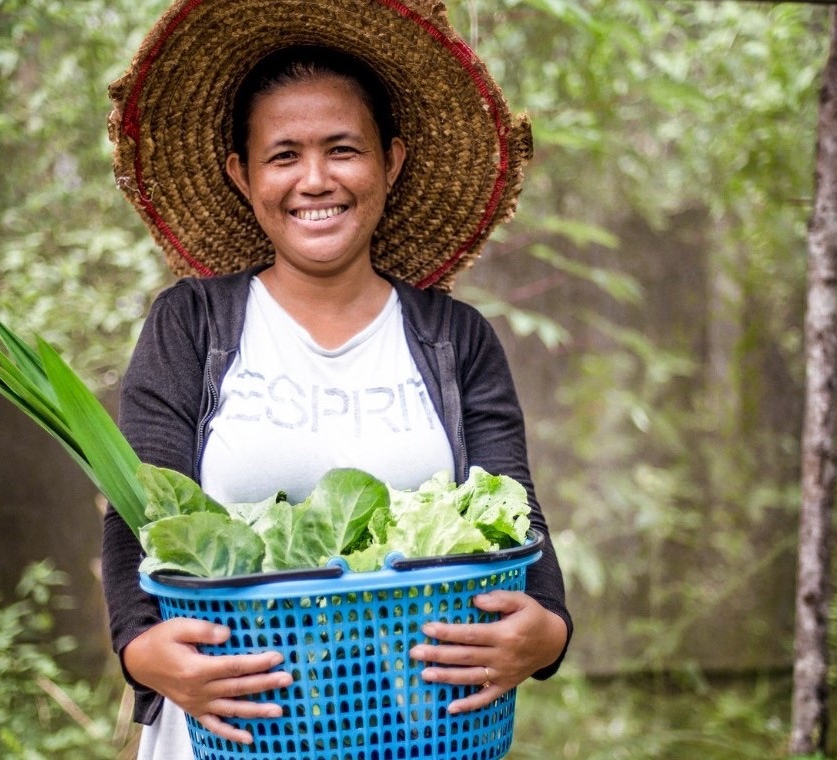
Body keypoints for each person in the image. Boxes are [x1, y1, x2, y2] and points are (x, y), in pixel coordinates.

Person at [101, 1, 571, 757]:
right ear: (242, 175)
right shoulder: (192, 325)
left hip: (418, 732)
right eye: (283, 155)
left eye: (342, 150)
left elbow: (521, 527)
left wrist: (544, 634)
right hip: (228, 734)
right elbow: (137, 519)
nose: (314, 180)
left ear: (392, 160)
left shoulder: (454, 340)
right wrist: (140, 649)